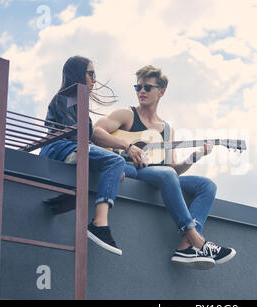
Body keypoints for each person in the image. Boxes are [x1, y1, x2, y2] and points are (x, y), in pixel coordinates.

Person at [92, 65, 236, 270]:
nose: (141, 91)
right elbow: (96, 132)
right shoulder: (127, 114)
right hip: (130, 169)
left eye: (147, 87)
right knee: (166, 175)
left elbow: (171, 170)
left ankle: (185, 247)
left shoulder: (167, 129)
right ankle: (197, 241)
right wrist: (128, 146)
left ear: (161, 91)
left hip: (158, 174)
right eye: (137, 87)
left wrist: (195, 156)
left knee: (207, 186)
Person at [39, 56, 126, 256]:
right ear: (77, 73)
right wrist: (111, 161)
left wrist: (113, 166)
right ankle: (99, 224)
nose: (95, 79)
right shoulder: (66, 98)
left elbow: (87, 139)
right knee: (115, 160)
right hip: (59, 148)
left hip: (71, 149)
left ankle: (100, 223)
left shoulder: (78, 103)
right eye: (91, 73)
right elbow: (77, 137)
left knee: (119, 165)